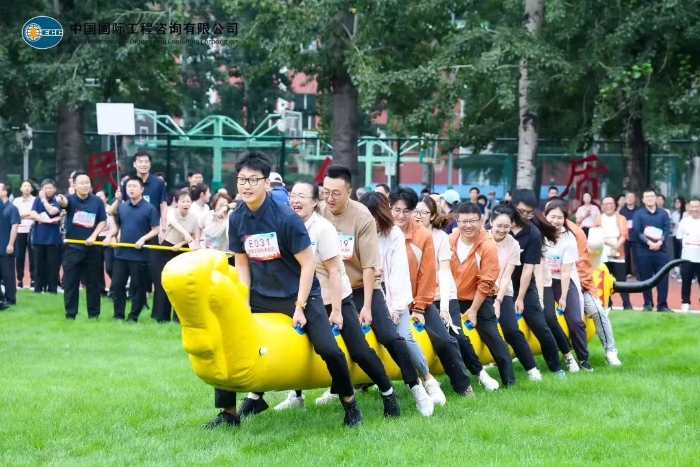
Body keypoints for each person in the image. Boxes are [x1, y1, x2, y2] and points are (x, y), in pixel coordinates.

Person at [206, 153, 362, 429]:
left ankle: (350, 403)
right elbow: (242, 266)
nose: (246, 185)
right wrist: (243, 302)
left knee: (329, 349)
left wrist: (300, 306)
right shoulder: (237, 218)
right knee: (226, 338)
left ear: (266, 183)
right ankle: (229, 413)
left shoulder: (286, 217)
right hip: (261, 293)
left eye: (253, 180)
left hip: (298, 293)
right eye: (242, 179)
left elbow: (308, 265)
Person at [274, 181, 400, 417]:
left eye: (302, 196)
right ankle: (288, 396)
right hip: (305, 298)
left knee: (359, 351)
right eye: (293, 196)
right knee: (297, 344)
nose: (296, 201)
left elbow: (334, 272)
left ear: (315, 202)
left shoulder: (323, 229)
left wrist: (337, 310)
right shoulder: (285, 225)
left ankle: (388, 392)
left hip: (334, 297)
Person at [319, 164, 433, 416]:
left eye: (336, 193)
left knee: (389, 336)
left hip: (362, 286)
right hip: (331, 287)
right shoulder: (319, 211)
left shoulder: (362, 217)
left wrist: (368, 307)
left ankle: (415, 386)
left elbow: (370, 267)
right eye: (325, 192)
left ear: (349, 192)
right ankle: (305, 393)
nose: (330, 198)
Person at [387, 187, 474, 396]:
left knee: (444, 339)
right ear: (389, 208)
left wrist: (419, 308)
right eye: (396, 210)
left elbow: (427, 275)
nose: (401, 215)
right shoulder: (382, 230)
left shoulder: (423, 235)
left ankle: (462, 385)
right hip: (387, 301)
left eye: (407, 211)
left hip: (417, 300)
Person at [361, 192, 440, 410]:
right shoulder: (356, 231)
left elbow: (398, 275)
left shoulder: (393, 234)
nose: (372, 223)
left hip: (392, 297)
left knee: (402, 336)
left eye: (376, 217)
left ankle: (426, 379)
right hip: (360, 294)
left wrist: (394, 309)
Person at [414, 196, 500, 390]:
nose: (418, 216)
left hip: (443, 295)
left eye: (423, 212)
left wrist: (444, 307)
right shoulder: (405, 235)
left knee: (456, 335)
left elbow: (444, 273)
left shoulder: (441, 238)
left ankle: (479, 373)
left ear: (432, 215)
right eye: (415, 212)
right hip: (417, 297)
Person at [449, 202, 516, 387]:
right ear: (457, 221)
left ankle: (509, 381)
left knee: (492, 335)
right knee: (454, 334)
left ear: (481, 221)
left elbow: (486, 282)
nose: (468, 225)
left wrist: (473, 310)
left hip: (479, 297)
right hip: (454, 296)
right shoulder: (451, 238)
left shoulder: (487, 245)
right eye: (464, 221)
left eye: (472, 221)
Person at [508, 189, 566, 377]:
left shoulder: (533, 232)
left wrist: (520, 298)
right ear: (512, 206)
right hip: (499, 286)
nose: (525, 216)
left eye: (529, 212)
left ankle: (555, 367)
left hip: (524, 285)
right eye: (522, 211)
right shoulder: (499, 226)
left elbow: (528, 269)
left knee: (541, 325)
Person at [487, 203, 543, 381]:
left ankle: (532, 369)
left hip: (503, 292)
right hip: (481, 291)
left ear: (511, 225)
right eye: (499, 226)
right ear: (491, 222)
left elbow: (506, 276)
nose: (502, 230)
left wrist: (498, 301)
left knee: (511, 330)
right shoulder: (482, 240)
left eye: (506, 226)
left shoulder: (514, 245)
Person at [543, 200, 593, 371]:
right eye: (552, 216)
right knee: (548, 318)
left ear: (565, 219)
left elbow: (565, 272)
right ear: (546, 216)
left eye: (560, 217)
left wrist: (563, 297)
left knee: (575, 320)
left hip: (561, 281)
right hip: (542, 282)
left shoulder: (569, 238)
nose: (555, 221)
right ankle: (565, 352)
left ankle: (583, 359)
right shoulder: (539, 234)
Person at [103, 176, 160, 322]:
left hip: (140, 255)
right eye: (129, 186)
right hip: (122, 254)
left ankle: (133, 316)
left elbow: (156, 229)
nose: (131, 189)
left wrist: (143, 239)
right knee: (117, 284)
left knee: (137, 287)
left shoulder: (149, 208)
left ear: (142, 189)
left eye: (135, 186)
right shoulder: (122, 206)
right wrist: (111, 237)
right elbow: (116, 225)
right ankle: (118, 315)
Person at [56, 171, 107, 320]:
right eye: (81, 183)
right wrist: (61, 200)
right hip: (73, 248)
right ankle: (70, 314)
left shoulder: (97, 201)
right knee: (71, 283)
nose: (85, 185)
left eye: (87, 182)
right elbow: (64, 204)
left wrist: (93, 236)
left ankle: (94, 315)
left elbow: (102, 221)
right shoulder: (70, 199)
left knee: (93, 283)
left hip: (93, 248)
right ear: (74, 185)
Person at [151, 189, 200, 323]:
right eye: (183, 201)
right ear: (176, 203)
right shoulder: (170, 212)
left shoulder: (194, 218)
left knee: (180, 284)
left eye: (188, 201)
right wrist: (185, 234)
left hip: (181, 250)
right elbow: (174, 223)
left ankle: (178, 318)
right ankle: (161, 317)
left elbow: (194, 236)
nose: (186, 204)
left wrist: (182, 242)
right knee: (163, 283)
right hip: (166, 249)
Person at [631, 188, 672, 312]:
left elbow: (667, 229)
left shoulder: (663, 214)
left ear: (656, 198)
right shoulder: (638, 214)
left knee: (663, 278)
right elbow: (637, 231)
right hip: (644, 251)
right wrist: (649, 243)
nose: (650, 198)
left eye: (652, 196)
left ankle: (662, 305)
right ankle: (647, 304)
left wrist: (659, 242)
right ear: (643, 200)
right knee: (646, 279)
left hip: (661, 251)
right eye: (647, 197)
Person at [593, 196, 632, 310]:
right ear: (602, 206)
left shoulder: (621, 218)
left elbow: (624, 235)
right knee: (604, 280)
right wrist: (607, 241)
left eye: (611, 203)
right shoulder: (598, 219)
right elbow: (595, 234)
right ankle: (607, 304)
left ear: (615, 205)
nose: (609, 206)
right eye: (606, 204)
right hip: (602, 253)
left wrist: (616, 246)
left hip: (618, 252)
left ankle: (627, 304)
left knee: (621, 280)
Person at [29, 180, 63, 294]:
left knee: (53, 266)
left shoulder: (58, 199)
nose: (48, 190)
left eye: (50, 188)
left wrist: (44, 200)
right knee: (38, 265)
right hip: (38, 238)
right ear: (42, 189)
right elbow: (32, 214)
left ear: (54, 189)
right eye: (46, 188)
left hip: (53, 239)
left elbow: (53, 211)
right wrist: (47, 221)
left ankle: (52, 289)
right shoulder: (37, 200)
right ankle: (38, 289)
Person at [676, 197, 700, 312]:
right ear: (689, 208)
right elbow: (679, 238)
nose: (694, 209)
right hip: (687, 257)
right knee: (686, 281)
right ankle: (685, 302)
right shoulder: (684, 222)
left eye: (697, 206)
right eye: (692, 206)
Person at [0, 182, 20, 310]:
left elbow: (15, 226)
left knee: (8, 275)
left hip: (6, 247)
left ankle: (10, 299)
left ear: (4, 192)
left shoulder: (12, 208)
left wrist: (11, 244)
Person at [619, 192, 639, 278]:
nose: (630, 199)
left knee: (637, 254)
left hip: (636, 235)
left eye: (632, 197)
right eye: (628, 197)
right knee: (626, 254)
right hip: (626, 235)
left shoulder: (639, 210)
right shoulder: (622, 210)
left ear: (635, 199)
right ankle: (627, 272)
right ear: (625, 199)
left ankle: (638, 273)